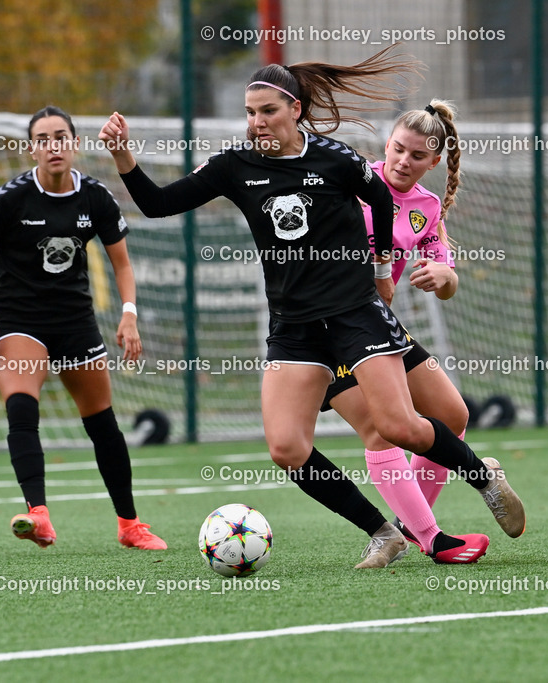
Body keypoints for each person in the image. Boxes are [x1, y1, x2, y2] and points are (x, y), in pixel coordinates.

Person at [98, 47, 521, 567]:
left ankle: (484, 478)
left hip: (355, 313)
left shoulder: (335, 158)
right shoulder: (235, 166)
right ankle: (383, 532)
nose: (257, 122)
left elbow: (383, 198)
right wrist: (124, 159)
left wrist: (383, 269)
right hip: (294, 327)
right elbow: (158, 204)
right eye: (250, 113)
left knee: (400, 427)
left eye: (267, 111)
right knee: (287, 448)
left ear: (295, 109)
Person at [321, 100, 526, 556]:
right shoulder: (351, 182)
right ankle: (426, 536)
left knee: (452, 415)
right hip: (323, 329)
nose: (402, 161)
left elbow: (446, 276)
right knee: (381, 430)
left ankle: (407, 525)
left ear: (434, 162)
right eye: (397, 149)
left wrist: (444, 277)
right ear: (385, 146)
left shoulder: (427, 208)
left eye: (416, 156)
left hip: (375, 324)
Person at [0, 105, 166, 550]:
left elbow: (123, 265)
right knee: (22, 409)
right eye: (43, 139)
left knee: (103, 425)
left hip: (75, 322)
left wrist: (129, 314)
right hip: (19, 321)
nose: (53, 146)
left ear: (74, 144)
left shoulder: (95, 198)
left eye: (61, 137)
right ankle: (38, 515)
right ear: (31, 148)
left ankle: (130, 526)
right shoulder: (10, 198)